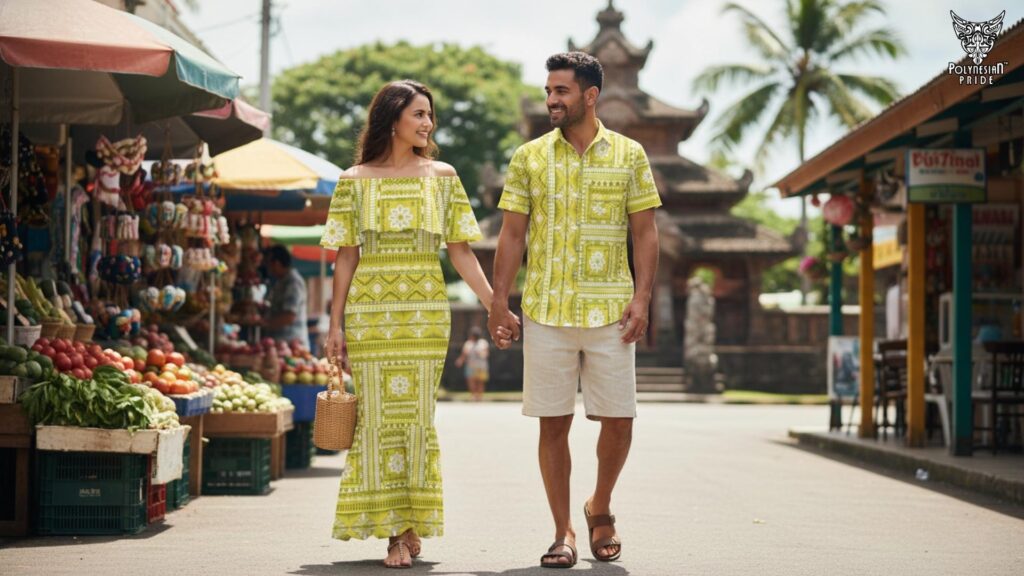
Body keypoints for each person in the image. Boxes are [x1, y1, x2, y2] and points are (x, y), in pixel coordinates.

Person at [320, 79, 517, 569]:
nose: (428, 124)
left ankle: (410, 525)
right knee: (378, 422)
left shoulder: (443, 176)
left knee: (414, 420)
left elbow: (461, 252)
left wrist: (496, 305)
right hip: (369, 316)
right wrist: (334, 325)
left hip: (426, 316)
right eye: (420, 115)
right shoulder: (353, 180)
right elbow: (346, 257)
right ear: (393, 120)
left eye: (430, 115)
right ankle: (394, 532)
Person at [488, 51, 661, 568]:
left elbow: (645, 231)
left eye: (561, 91)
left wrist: (643, 296)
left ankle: (599, 506)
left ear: (590, 95)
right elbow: (512, 233)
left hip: (612, 309)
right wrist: (500, 301)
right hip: (546, 307)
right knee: (553, 425)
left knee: (620, 421)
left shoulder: (630, 155)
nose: (550, 101)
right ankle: (562, 531)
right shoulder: (529, 158)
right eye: (547, 91)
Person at [262, 244, 309, 349]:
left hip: (292, 345)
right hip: (282, 344)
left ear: (277, 263)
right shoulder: (281, 281)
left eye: (269, 263)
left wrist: (263, 324)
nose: (267, 268)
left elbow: (289, 316)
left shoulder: (293, 282)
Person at [454, 326, 490, 401]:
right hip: (470, 365)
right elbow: (464, 354)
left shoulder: (483, 343)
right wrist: (460, 360)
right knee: (471, 381)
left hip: (481, 366)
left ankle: (480, 396)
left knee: (480, 382)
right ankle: (473, 395)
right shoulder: (468, 343)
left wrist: (480, 353)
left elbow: (486, 354)